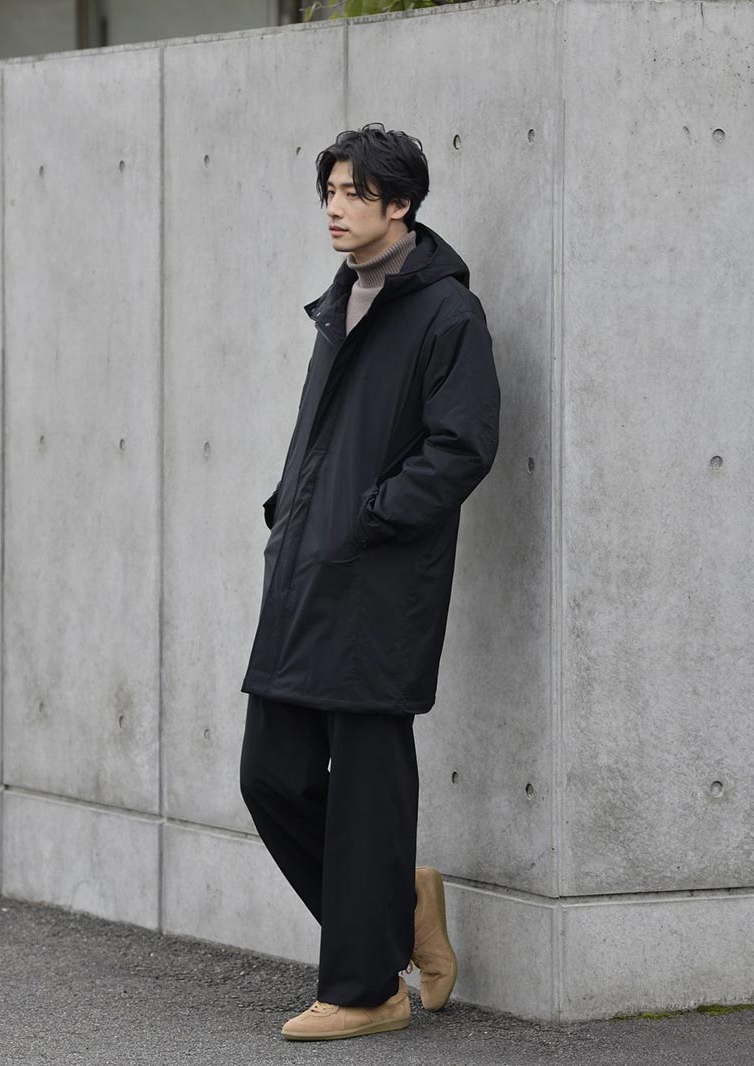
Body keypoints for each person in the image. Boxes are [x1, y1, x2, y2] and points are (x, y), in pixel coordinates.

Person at [239, 122, 500, 1041]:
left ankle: (367, 991)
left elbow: (464, 446)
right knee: (269, 778)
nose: (335, 208)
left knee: (366, 792)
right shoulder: (341, 299)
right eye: (331, 191)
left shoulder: (446, 314)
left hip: (383, 583)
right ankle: (402, 908)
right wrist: (293, 514)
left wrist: (372, 516)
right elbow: (322, 442)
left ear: (402, 204)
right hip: (309, 570)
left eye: (354, 193)